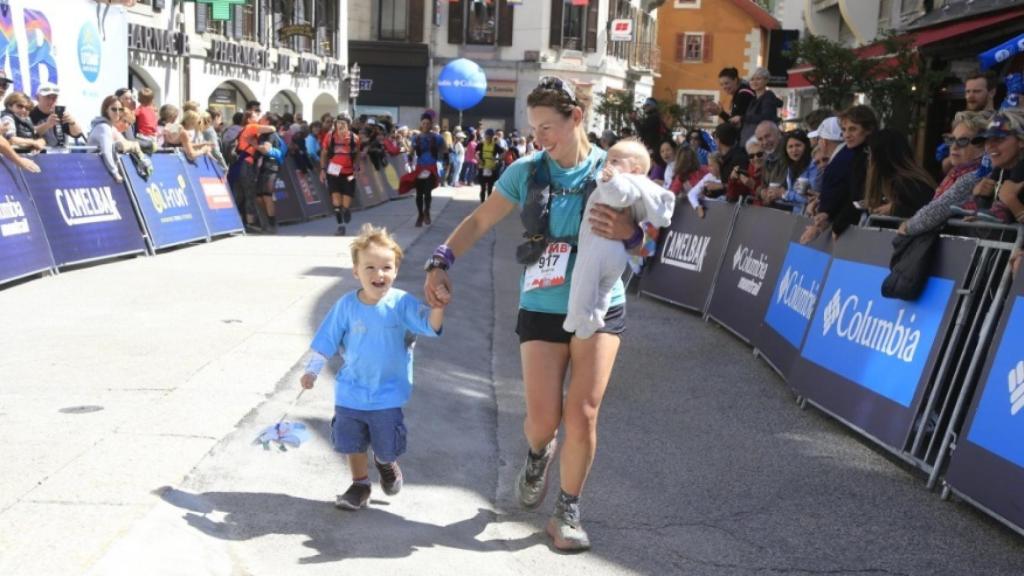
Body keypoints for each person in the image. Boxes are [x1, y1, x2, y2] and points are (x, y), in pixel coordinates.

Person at [423, 76, 640, 552]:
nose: (539, 137)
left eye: (547, 127)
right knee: (543, 421)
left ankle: (567, 510)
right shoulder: (525, 171)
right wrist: (441, 261)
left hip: (601, 307)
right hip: (541, 304)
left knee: (582, 413)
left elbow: (649, 242)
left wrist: (629, 231)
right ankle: (539, 454)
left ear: (576, 118)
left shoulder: (613, 171)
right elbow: (480, 219)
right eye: (534, 128)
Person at [301, 224, 445, 511]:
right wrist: (312, 370)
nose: (378, 275)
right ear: (356, 272)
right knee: (350, 441)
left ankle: (385, 462)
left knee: (386, 444)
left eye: (386, 267)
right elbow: (327, 339)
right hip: (351, 391)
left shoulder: (402, 303)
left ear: (395, 270)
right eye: (370, 268)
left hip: (388, 394)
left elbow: (430, 325)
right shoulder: (345, 306)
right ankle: (360, 485)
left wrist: (439, 306)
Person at [564, 139, 674, 338]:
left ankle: (578, 316)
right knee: (603, 288)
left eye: (614, 161)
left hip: (601, 249)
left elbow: (620, 196)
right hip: (616, 255)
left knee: (586, 283)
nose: (608, 165)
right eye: (608, 160)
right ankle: (594, 315)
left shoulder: (625, 181)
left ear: (635, 168)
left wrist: (611, 181)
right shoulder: (639, 184)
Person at [900, 111, 991, 236]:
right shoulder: (954, 174)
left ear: (982, 147)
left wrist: (908, 226)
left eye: (963, 141)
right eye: (951, 140)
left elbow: (940, 208)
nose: (954, 147)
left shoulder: (975, 176)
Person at [859, 129, 935, 218]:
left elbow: (929, 214)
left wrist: (895, 210)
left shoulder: (907, 183)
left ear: (881, 155)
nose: (868, 157)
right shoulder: (901, 181)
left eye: (870, 152)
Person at [320, 114, 360, 235]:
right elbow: (324, 153)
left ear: (348, 125)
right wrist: (322, 169)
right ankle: (340, 226)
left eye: (343, 123)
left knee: (346, 202)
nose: (340, 125)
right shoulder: (330, 136)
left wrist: (356, 168)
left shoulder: (355, 138)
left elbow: (357, 153)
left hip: (349, 173)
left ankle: (347, 210)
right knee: (336, 201)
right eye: (338, 123)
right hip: (333, 172)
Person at [88, 95, 142, 183]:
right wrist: (115, 173)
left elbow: (125, 143)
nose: (117, 112)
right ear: (106, 110)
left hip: (101, 171)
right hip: (95, 172)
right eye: (113, 109)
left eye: (120, 109)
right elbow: (106, 152)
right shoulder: (104, 127)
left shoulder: (110, 127)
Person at [411, 112, 446, 226]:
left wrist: (443, 161)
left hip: (431, 167)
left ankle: (427, 211)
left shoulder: (438, 137)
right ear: (421, 124)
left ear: (431, 124)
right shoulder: (415, 138)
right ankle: (420, 214)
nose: (425, 125)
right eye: (424, 123)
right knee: (419, 194)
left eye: (428, 123)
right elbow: (411, 153)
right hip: (420, 168)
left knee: (427, 192)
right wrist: (411, 152)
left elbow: (444, 150)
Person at [772, 129, 818, 214]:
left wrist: (785, 194)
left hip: (811, 217)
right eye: (790, 147)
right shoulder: (790, 167)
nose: (794, 150)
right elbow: (794, 198)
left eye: (798, 145)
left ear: (806, 146)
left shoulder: (813, 166)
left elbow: (810, 197)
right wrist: (777, 195)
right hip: (796, 216)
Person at [30, 82, 83, 147]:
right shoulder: (30, 114)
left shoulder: (60, 113)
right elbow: (29, 134)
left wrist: (72, 123)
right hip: (39, 155)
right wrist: (47, 125)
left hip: (62, 155)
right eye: (47, 97)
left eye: (54, 97)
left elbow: (77, 134)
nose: (51, 101)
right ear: (37, 98)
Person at [740, 68, 782, 144]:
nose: (754, 82)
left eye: (758, 79)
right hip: (749, 141)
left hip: (761, 141)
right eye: (752, 79)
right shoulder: (754, 99)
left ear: (766, 80)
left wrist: (743, 118)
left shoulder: (768, 97)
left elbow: (766, 117)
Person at [685, 151, 723, 219]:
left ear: (719, 165)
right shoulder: (708, 177)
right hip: (710, 214)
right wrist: (697, 206)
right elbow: (691, 193)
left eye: (711, 165)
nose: (708, 168)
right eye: (708, 165)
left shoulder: (728, 178)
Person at [477, 128, 504, 203]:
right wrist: (479, 159)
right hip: (482, 168)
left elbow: (503, 152)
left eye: (490, 137)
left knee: (490, 188)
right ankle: (482, 203)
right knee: (482, 188)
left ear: (492, 137)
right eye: (487, 136)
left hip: (492, 169)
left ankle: (488, 203)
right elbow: (476, 153)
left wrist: (497, 159)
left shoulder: (495, 145)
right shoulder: (481, 144)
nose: (488, 138)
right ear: (485, 136)